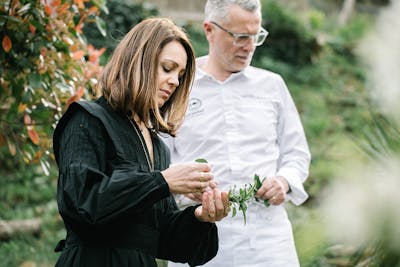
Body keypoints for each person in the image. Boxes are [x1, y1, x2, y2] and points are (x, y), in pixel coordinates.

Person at [52, 17, 230, 267]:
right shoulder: (87, 119)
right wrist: (163, 181)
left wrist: (200, 218)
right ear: (138, 62)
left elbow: (163, 240)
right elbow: (83, 204)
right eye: (167, 68)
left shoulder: (157, 146)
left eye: (180, 75)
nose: (175, 82)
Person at [165, 1, 311, 266]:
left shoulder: (272, 86)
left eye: (256, 36)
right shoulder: (178, 86)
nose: (250, 46)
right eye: (241, 37)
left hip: (268, 243)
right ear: (209, 30)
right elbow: (158, 162)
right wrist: (184, 190)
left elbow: (297, 154)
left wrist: (284, 181)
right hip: (196, 236)